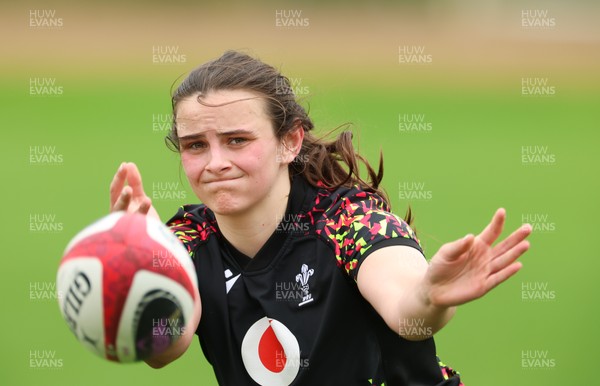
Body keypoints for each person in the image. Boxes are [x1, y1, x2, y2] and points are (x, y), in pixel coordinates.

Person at [109, 50, 531, 386]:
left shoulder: (352, 221)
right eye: (195, 145)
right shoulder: (184, 240)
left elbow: (408, 314)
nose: (216, 162)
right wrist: (136, 286)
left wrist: (430, 297)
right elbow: (166, 349)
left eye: (237, 140)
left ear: (289, 141)